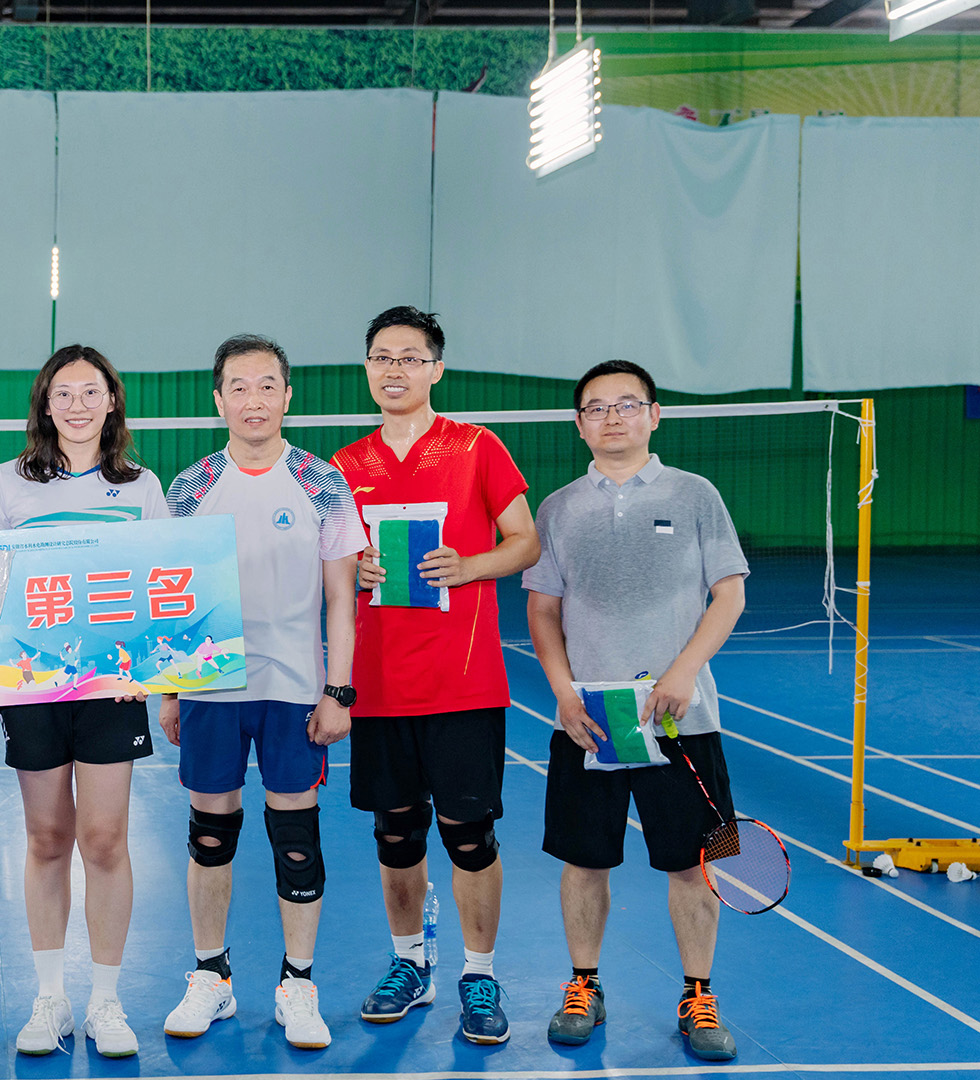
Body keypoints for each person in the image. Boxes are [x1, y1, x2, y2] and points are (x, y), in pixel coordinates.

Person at [524, 360, 748, 1061]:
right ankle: (583, 986)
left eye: (627, 404)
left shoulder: (696, 494)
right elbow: (542, 610)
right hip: (591, 719)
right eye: (596, 407)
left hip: (681, 719)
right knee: (583, 860)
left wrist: (684, 671)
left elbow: (730, 593)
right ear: (579, 425)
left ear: (654, 414)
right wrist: (562, 692)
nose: (612, 417)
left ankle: (699, 995)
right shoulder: (558, 508)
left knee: (696, 864)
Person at [329, 306, 538, 1045]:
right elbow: (327, 567)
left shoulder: (476, 446)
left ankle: (479, 974)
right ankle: (409, 962)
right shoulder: (344, 466)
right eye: (382, 357)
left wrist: (470, 565)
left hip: (463, 681)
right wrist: (354, 570)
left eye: (411, 358)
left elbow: (525, 541)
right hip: (379, 683)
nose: (395, 370)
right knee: (396, 834)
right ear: (367, 368)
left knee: (469, 835)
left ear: (436, 369)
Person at [159, 335, 362, 1050]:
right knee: (210, 832)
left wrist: (339, 689)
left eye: (267, 385)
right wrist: (171, 690)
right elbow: (174, 596)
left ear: (287, 396)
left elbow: (342, 597)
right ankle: (210, 976)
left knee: (295, 837)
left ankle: (298, 984)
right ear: (218, 400)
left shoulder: (322, 481)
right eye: (239, 387)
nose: (254, 400)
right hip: (210, 683)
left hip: (295, 686)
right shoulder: (189, 487)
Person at [0, 344, 166, 1058]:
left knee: (106, 838)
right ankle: (50, 997)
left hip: (113, 685)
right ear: (45, 405)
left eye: (91, 392)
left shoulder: (141, 486)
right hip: (34, 684)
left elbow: (164, 584)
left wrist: (156, 671)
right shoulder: (9, 482)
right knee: (47, 836)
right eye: (63, 394)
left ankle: (106, 1001)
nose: (77, 406)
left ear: (111, 401)